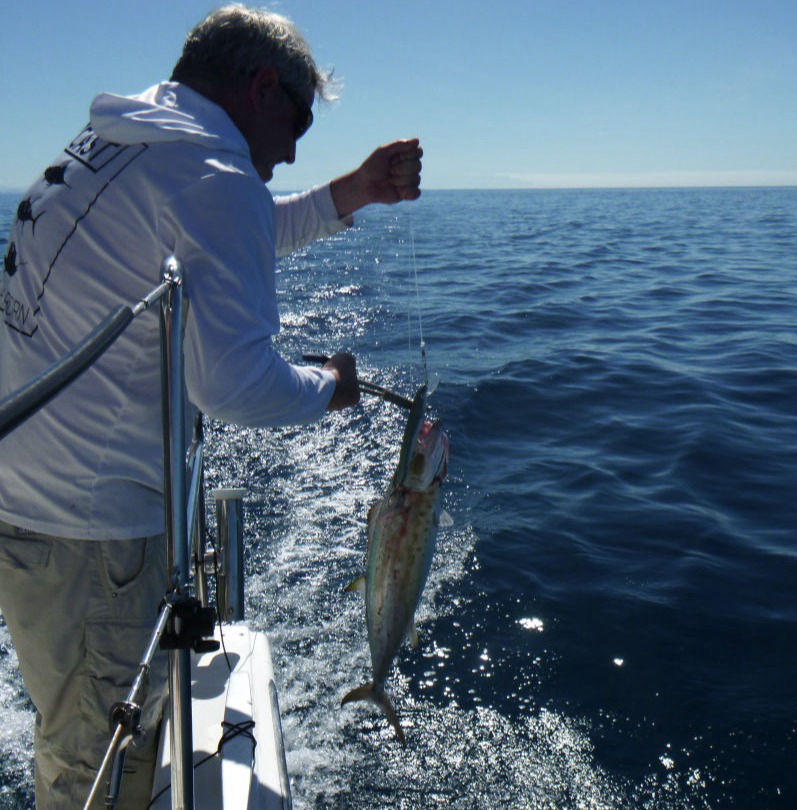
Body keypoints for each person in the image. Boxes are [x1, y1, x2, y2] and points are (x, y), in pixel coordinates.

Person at [0, 4, 422, 807]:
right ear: (262, 87)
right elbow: (233, 386)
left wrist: (352, 192)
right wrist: (330, 389)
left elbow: (229, 229)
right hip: (95, 535)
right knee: (97, 773)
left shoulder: (127, 142)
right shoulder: (209, 174)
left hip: (30, 503)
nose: (293, 149)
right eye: (298, 120)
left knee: (76, 738)